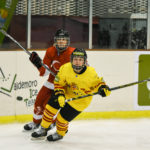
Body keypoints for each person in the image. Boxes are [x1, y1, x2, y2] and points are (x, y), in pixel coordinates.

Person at [31, 48, 111, 141]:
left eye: (80, 60)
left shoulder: (90, 73)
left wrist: (103, 89)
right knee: (49, 108)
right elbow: (58, 83)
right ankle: (43, 129)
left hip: (80, 101)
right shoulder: (65, 68)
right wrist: (60, 94)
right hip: (65, 93)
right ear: (71, 59)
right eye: (75, 59)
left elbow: (99, 83)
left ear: (85, 61)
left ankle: (60, 133)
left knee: (61, 119)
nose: (77, 62)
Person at [23, 29, 75, 131]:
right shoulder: (50, 51)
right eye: (59, 39)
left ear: (67, 41)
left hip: (62, 86)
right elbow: (45, 71)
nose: (61, 42)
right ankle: (36, 123)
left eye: (63, 40)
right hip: (50, 83)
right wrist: (38, 64)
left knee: (49, 105)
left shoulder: (73, 53)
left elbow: (83, 69)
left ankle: (51, 123)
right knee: (38, 102)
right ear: (55, 40)